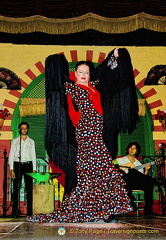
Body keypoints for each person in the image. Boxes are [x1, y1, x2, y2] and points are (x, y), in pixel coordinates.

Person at [27, 48, 139, 223]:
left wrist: (113, 58)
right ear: (76, 74)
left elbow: (107, 75)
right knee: (98, 171)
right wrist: (54, 63)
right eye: (81, 72)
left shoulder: (95, 88)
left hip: (97, 134)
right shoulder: (72, 88)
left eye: (87, 72)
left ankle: (96, 211)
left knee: (98, 172)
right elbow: (57, 83)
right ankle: (94, 210)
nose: (84, 75)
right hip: (86, 134)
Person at [114, 142, 166, 218]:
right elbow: (110, 164)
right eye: (130, 148)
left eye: (134, 148)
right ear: (128, 149)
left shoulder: (138, 164)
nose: (132, 150)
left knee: (149, 184)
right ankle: (157, 182)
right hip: (123, 182)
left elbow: (142, 178)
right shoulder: (120, 160)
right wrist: (123, 166)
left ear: (137, 151)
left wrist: (147, 170)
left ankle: (148, 211)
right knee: (133, 171)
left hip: (133, 183)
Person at [9, 122, 36, 217]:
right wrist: (12, 169)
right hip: (17, 165)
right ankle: (15, 211)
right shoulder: (15, 141)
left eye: (26, 128)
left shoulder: (31, 141)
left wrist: (34, 169)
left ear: (28, 129)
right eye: (22, 128)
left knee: (29, 188)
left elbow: (33, 155)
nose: (24, 130)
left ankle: (29, 212)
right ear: (19, 129)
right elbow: (11, 155)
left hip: (28, 165)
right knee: (16, 188)